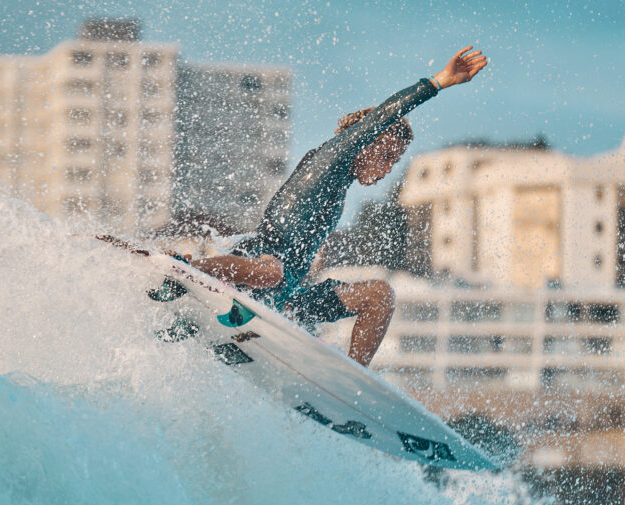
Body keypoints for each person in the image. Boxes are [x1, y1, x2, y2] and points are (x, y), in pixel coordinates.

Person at [188, 46, 488, 367]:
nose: (388, 169)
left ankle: (353, 378)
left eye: (395, 162)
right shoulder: (329, 160)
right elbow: (383, 114)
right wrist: (439, 81)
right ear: (367, 141)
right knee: (271, 271)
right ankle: (189, 269)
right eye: (387, 156)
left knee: (379, 295)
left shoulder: (341, 187)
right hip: (256, 265)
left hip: (286, 299)